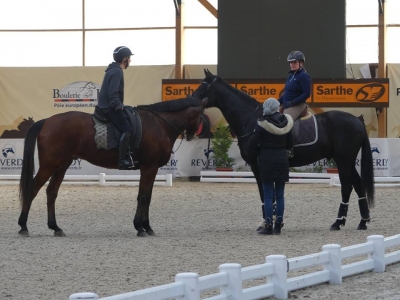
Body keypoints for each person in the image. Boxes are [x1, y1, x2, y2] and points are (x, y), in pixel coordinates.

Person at [248, 98, 294, 235]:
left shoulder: (262, 123)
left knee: (268, 196)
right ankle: (278, 225)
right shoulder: (286, 122)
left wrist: (258, 152)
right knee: (280, 195)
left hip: (267, 160)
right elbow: (290, 144)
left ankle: (268, 225)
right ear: (277, 108)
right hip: (282, 160)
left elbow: (251, 145)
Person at [97, 46, 138, 170]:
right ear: (125, 59)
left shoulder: (112, 69)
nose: (130, 61)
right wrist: (119, 107)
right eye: (129, 58)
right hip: (109, 108)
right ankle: (121, 160)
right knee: (128, 129)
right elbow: (113, 93)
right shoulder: (117, 71)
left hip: (107, 106)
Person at [278, 50, 311, 157]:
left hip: (298, 104)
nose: (292, 64)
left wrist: (293, 102)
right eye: (291, 62)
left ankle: (289, 148)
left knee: (286, 121)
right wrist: (278, 101)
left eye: (294, 62)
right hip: (288, 103)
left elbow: (307, 93)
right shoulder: (291, 76)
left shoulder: (304, 76)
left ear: (301, 63)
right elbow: (287, 93)